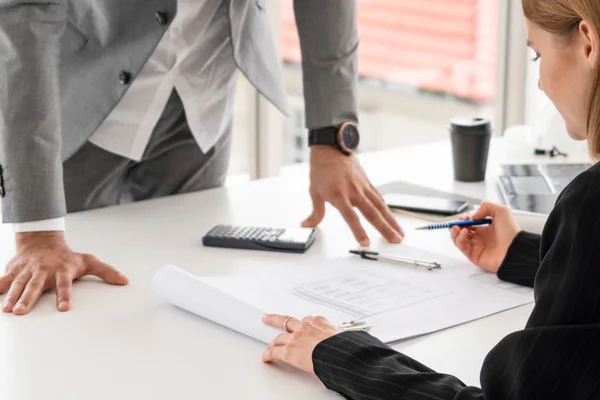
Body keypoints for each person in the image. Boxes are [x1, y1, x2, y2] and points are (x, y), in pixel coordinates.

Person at [261, 0, 600, 398]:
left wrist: (342, 356)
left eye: (536, 54)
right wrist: (523, 253)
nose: (540, 82)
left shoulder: (589, 202)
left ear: (588, 43)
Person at [0, 1, 404, 315]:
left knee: (188, 294)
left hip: (202, 101)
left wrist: (330, 137)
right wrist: (39, 232)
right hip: (76, 99)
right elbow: (26, 18)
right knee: (66, 304)